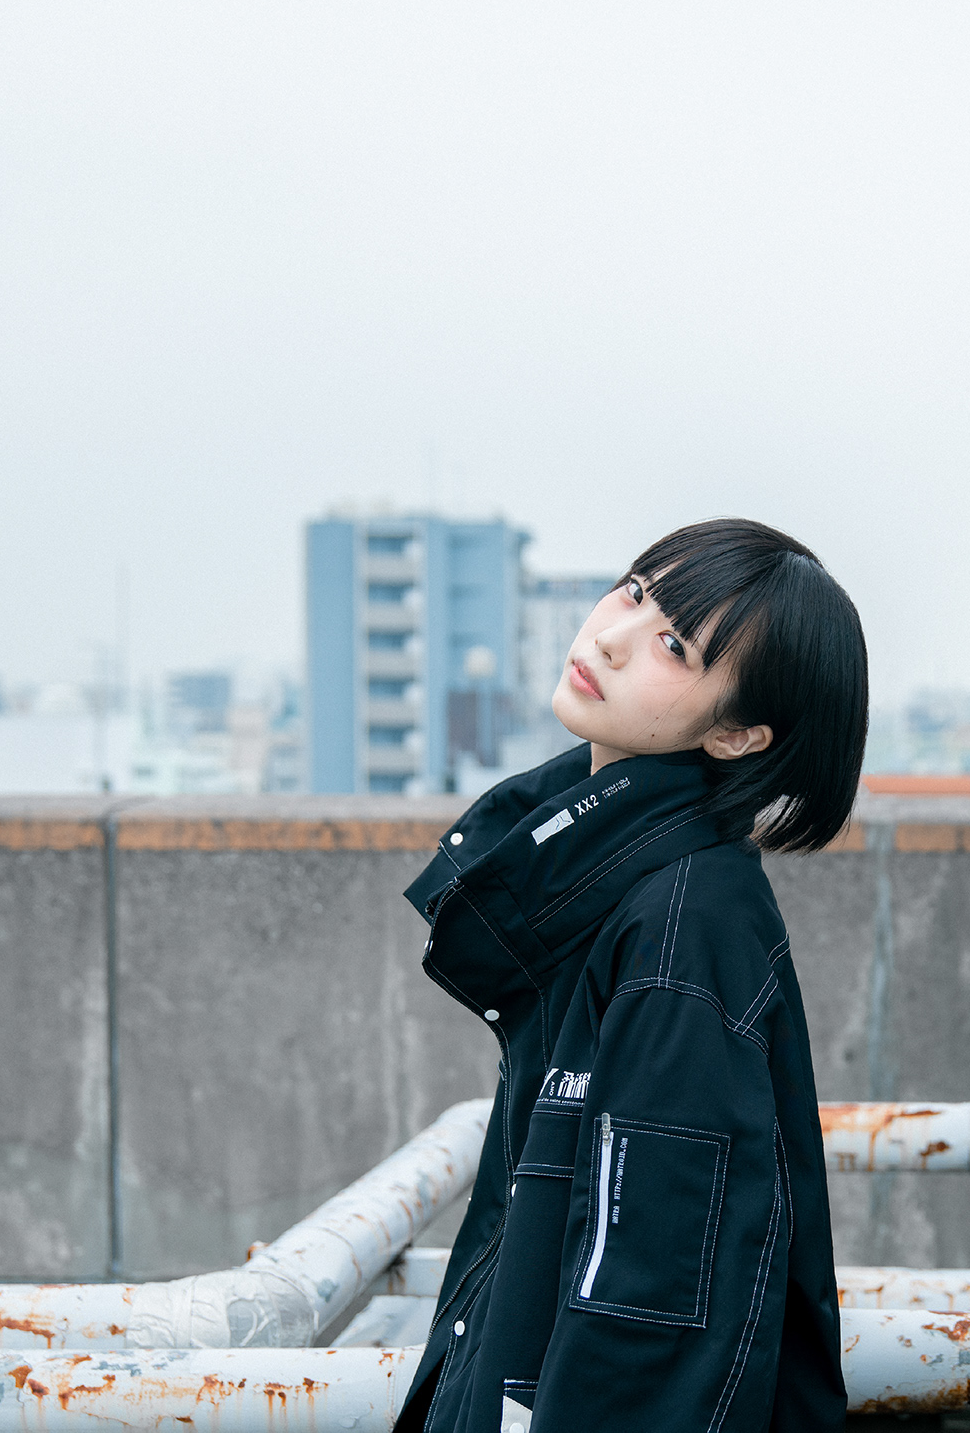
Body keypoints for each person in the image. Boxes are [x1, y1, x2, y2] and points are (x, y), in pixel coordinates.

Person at [393, 517, 867, 1433]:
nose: (612, 634)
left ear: (736, 733)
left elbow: (647, 1323)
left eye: (674, 645)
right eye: (636, 591)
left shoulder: (685, 929)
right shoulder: (617, 884)